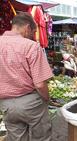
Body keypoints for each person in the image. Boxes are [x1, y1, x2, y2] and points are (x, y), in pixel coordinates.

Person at [0, 12, 52, 141]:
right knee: (41, 137)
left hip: (6, 104)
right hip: (31, 102)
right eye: (33, 32)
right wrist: (47, 98)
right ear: (27, 28)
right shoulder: (31, 46)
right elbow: (40, 84)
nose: (33, 36)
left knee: (16, 138)